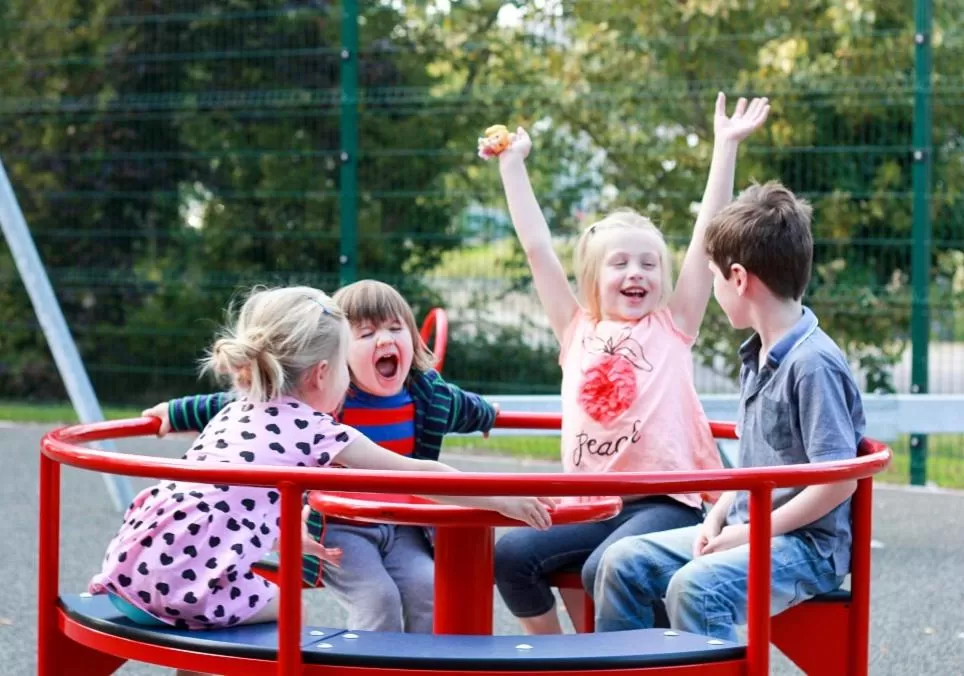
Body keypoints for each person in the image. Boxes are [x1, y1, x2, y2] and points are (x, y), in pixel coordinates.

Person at [90, 286, 553, 676]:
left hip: (133, 571)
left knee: (416, 587)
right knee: (284, 610)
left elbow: (240, 492)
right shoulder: (317, 428)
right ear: (324, 373)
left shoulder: (240, 407)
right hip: (196, 587)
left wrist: (288, 526)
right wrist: (502, 499)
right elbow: (418, 472)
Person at [488, 93, 770, 634]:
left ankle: (638, 659)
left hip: (666, 502)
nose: (635, 272)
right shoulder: (575, 330)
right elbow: (537, 250)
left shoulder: (672, 325)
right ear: (594, 277)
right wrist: (512, 165)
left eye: (648, 263)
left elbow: (705, 234)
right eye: (620, 263)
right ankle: (564, 661)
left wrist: (725, 146)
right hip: (593, 505)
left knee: (605, 568)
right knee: (512, 554)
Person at [143, 280, 502, 634]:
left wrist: (487, 414)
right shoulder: (320, 400)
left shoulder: (427, 395)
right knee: (378, 598)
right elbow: (238, 405)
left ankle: (421, 668)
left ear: (413, 338)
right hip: (341, 525)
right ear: (332, 359)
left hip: (402, 525)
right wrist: (174, 414)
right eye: (365, 334)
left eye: (396, 328)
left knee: (428, 589)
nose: (385, 339)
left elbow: (464, 406)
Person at [592, 181, 865, 642]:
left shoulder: (812, 363)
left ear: (738, 279)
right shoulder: (758, 354)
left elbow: (839, 479)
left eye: (716, 277)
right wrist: (720, 514)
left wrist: (750, 533)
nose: (716, 288)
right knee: (623, 563)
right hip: (749, 526)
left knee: (696, 590)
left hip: (806, 548)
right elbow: (757, 464)